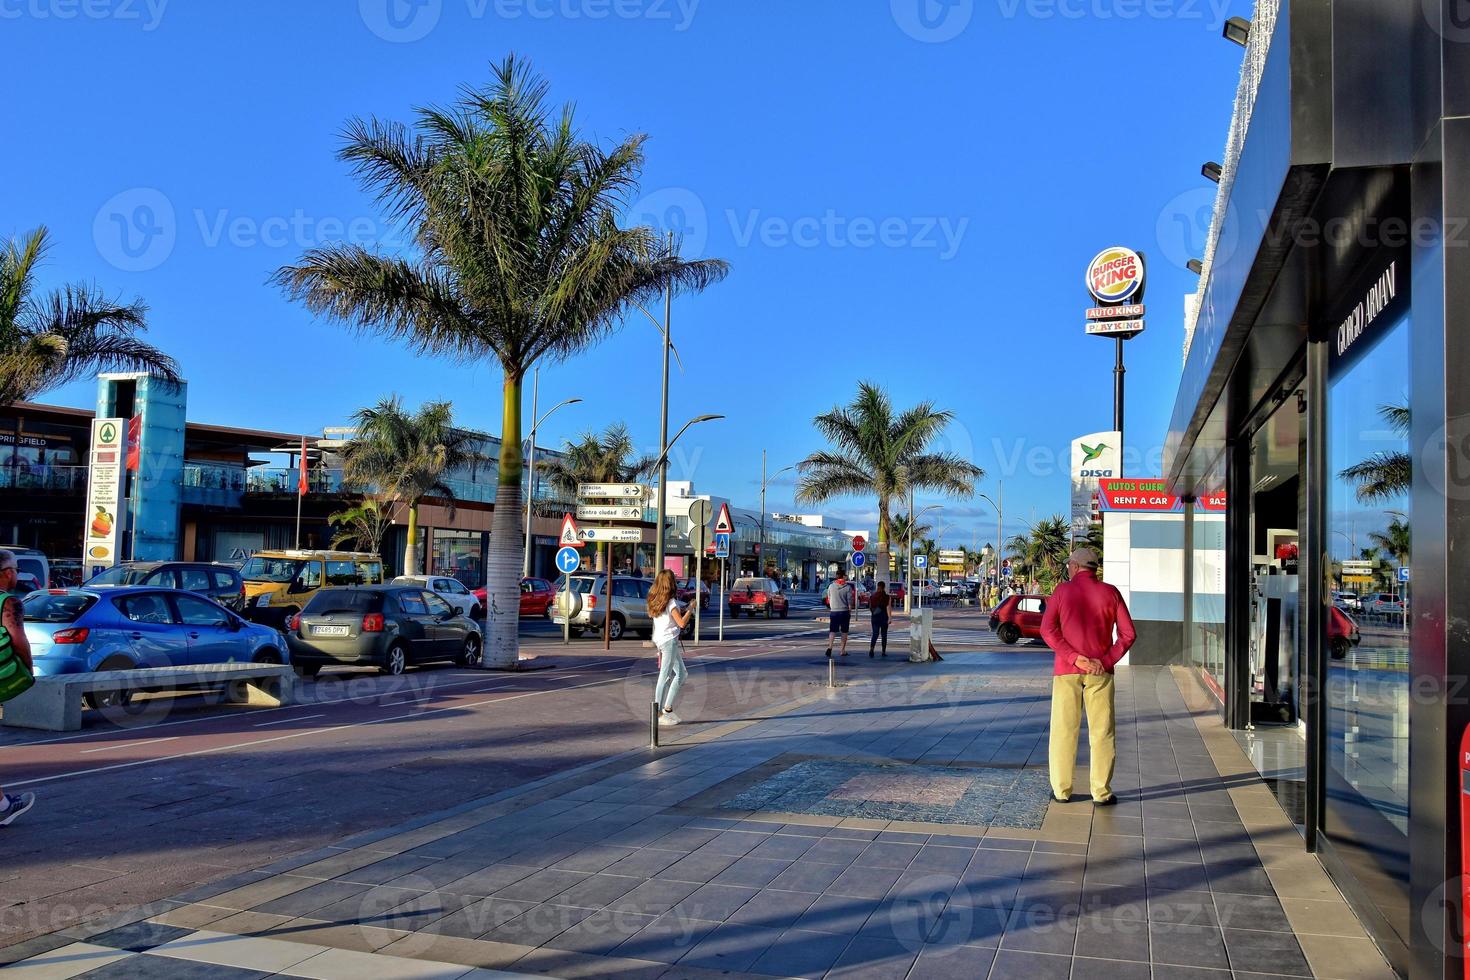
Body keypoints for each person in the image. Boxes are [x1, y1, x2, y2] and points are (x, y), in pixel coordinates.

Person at [1041, 547, 1135, 806]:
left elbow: (1047, 629)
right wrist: (1104, 661)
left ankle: (1061, 791)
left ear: (1074, 566)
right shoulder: (1110, 592)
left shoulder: (1062, 591)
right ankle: (1101, 793)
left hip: (1066, 672)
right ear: (1094, 568)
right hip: (1100, 673)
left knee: (1063, 731)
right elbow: (1128, 634)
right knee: (1102, 732)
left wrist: (1073, 657)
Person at [0, 551, 36, 826]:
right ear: (7, 572)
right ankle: (2, 806)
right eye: (15, 568)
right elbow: (18, 639)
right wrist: (27, 669)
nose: (16, 573)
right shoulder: (8, 602)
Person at [646, 569, 692, 726]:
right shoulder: (671, 603)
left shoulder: (656, 600)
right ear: (671, 583)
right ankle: (657, 713)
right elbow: (681, 623)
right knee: (664, 677)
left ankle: (668, 708)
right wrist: (691, 609)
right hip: (669, 642)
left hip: (661, 640)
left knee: (682, 674)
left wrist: (682, 610)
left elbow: (667, 618)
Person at [824, 572, 856, 658]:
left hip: (834, 611)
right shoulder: (848, 587)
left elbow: (829, 598)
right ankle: (842, 650)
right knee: (844, 631)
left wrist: (832, 607)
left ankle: (830, 647)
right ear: (843, 576)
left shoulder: (831, 586)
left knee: (832, 631)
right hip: (844, 611)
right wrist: (850, 610)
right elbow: (849, 600)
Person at [869, 581, 891, 657]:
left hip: (875, 617)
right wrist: (890, 618)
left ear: (877, 587)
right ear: (884, 587)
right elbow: (888, 608)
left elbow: (870, 607)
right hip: (884, 617)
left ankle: (871, 649)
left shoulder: (872, 596)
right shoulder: (887, 597)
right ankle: (883, 652)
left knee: (875, 634)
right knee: (884, 635)